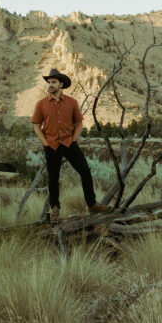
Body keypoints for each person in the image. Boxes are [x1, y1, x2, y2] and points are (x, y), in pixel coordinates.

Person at [31, 68, 110, 224]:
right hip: (51, 145)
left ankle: (92, 204)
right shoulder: (41, 104)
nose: (50, 85)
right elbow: (36, 126)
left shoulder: (72, 102)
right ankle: (55, 209)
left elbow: (79, 123)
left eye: (54, 82)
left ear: (61, 84)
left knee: (85, 171)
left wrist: (74, 139)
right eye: (49, 82)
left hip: (69, 143)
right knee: (53, 178)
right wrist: (45, 142)